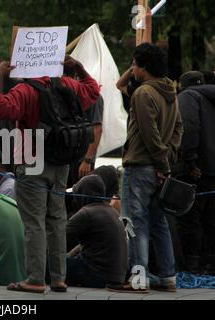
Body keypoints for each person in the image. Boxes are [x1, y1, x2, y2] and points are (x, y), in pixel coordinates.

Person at [0, 56, 100, 293]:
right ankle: (59, 278)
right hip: (62, 162)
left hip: (32, 161)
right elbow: (93, 91)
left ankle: (36, 279)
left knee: (34, 222)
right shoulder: (68, 84)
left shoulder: (25, 90)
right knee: (57, 219)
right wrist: (80, 67)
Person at [116, 43, 183, 293]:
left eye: (134, 63)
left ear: (143, 66)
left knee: (136, 223)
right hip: (159, 168)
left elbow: (149, 133)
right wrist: (168, 158)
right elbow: (178, 129)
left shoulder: (143, 93)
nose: (131, 68)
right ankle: (168, 277)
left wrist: (160, 161)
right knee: (159, 222)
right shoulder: (169, 91)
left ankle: (138, 279)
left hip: (141, 166)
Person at [173, 71, 215, 275]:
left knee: (190, 218)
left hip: (197, 169)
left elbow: (188, 127)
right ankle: (211, 264)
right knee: (211, 218)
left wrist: (189, 160)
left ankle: (192, 266)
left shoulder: (188, 97)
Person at [66, 175, 128, 288]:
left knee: (49, 265)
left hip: (96, 276)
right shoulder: (113, 212)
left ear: (82, 193)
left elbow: (60, 237)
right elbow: (85, 245)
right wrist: (69, 256)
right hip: (117, 277)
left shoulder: (87, 212)